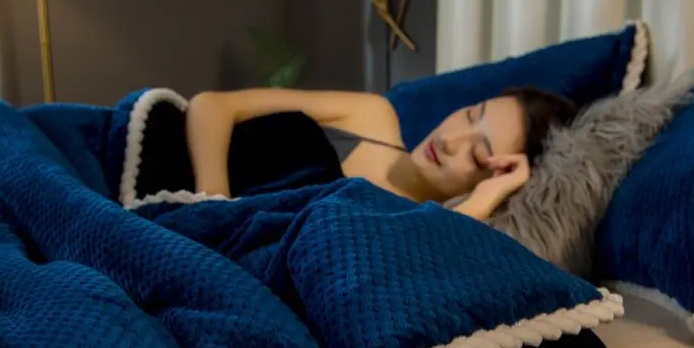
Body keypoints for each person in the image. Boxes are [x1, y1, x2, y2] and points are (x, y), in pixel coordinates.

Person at [185, 86, 578, 221]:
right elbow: (212, 105)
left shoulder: (407, 227)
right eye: (470, 115)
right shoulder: (371, 116)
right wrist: (212, 201)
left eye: (477, 156)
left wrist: (481, 203)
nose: (450, 141)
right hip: (175, 156)